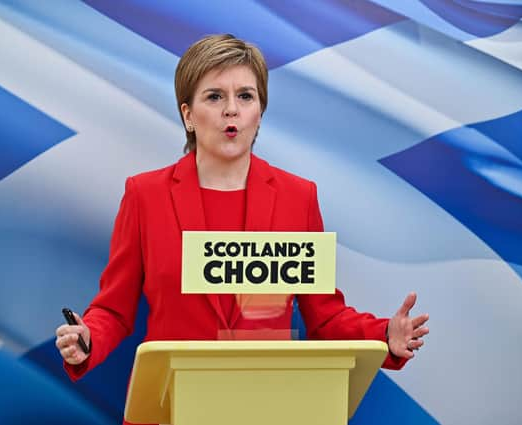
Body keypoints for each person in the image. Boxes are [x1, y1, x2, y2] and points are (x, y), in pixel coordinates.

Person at [55, 34, 429, 424]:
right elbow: (114, 310)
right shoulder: (144, 195)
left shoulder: (298, 197)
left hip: (265, 409)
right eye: (214, 96)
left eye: (245, 96)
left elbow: (325, 318)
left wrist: (385, 334)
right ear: (187, 114)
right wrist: (88, 338)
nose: (231, 110)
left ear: (260, 112)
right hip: (168, 411)